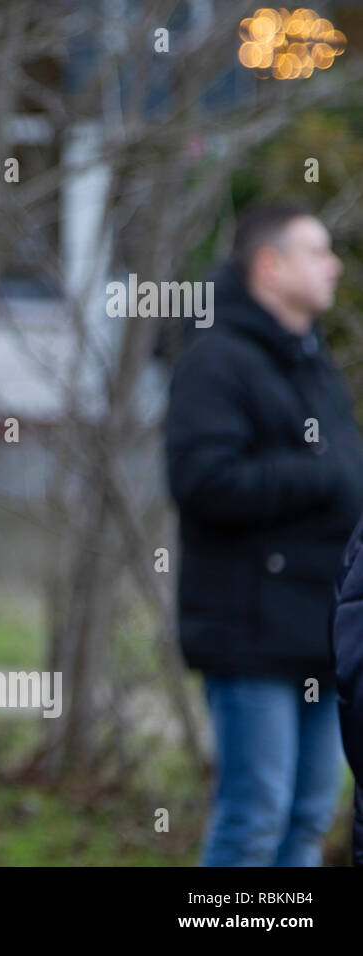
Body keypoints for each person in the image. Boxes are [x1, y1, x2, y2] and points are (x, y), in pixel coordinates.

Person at [165, 202, 361, 866]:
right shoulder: (215, 360)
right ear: (270, 265)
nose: (334, 264)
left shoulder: (312, 362)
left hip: (320, 633)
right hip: (248, 633)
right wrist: (320, 476)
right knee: (256, 817)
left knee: (308, 818)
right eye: (317, 251)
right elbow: (202, 482)